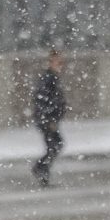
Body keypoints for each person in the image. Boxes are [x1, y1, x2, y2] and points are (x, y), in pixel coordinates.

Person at [30, 48, 67, 187]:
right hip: (47, 120)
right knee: (54, 145)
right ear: (50, 62)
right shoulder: (48, 78)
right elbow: (42, 100)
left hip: (49, 119)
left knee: (55, 145)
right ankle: (41, 169)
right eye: (58, 62)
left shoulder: (53, 78)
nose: (60, 65)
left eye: (61, 62)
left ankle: (41, 169)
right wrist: (49, 118)